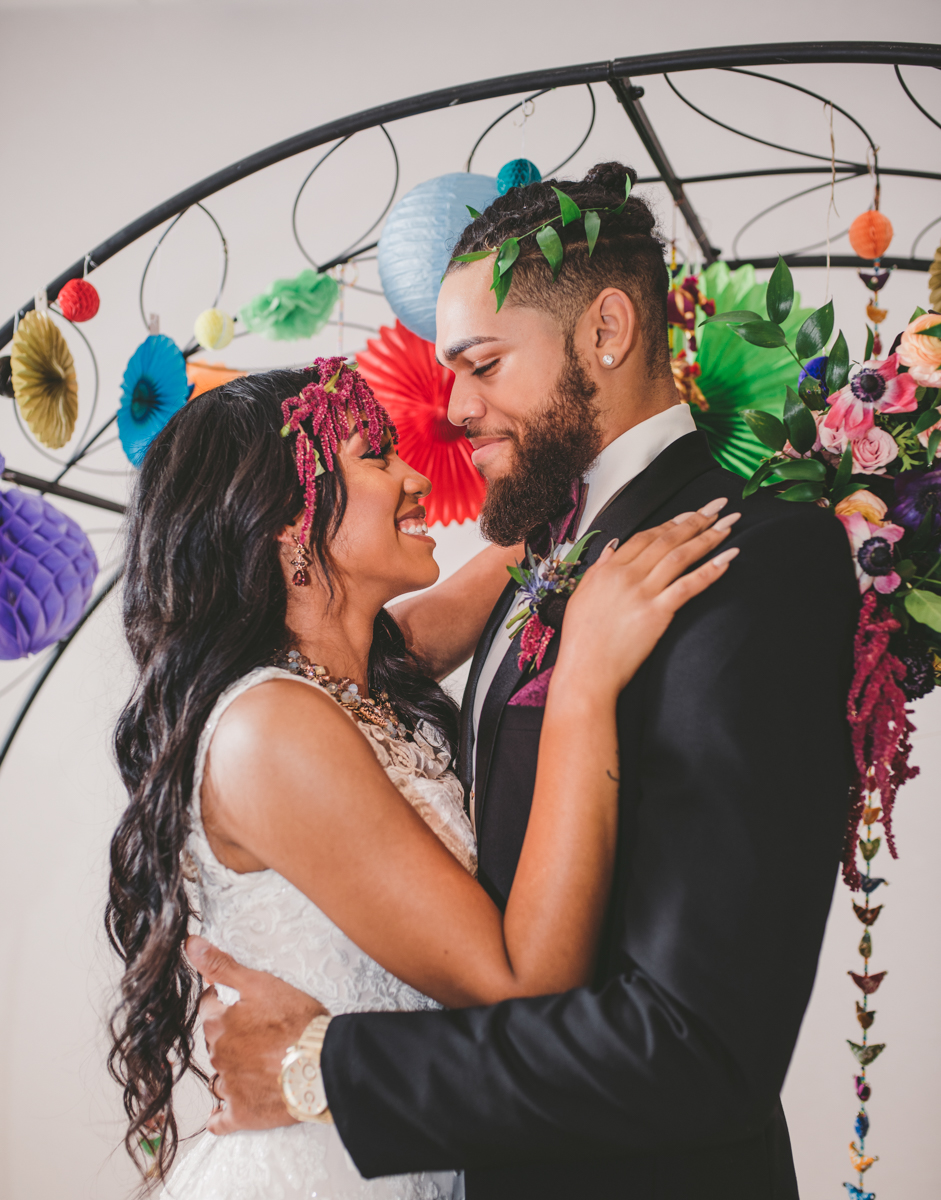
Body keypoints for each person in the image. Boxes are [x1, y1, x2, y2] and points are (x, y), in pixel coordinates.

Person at [191, 162, 861, 1200]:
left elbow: (694, 1046)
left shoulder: (749, 564)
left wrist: (323, 1065)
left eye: (482, 363)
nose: (449, 412)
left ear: (603, 331)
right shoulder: (547, 555)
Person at [106, 351, 735, 1199]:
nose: (413, 479)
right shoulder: (269, 730)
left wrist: (610, 416)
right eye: (374, 457)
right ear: (287, 524)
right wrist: (584, 682)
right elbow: (523, 986)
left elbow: (534, 551)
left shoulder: (361, 668)